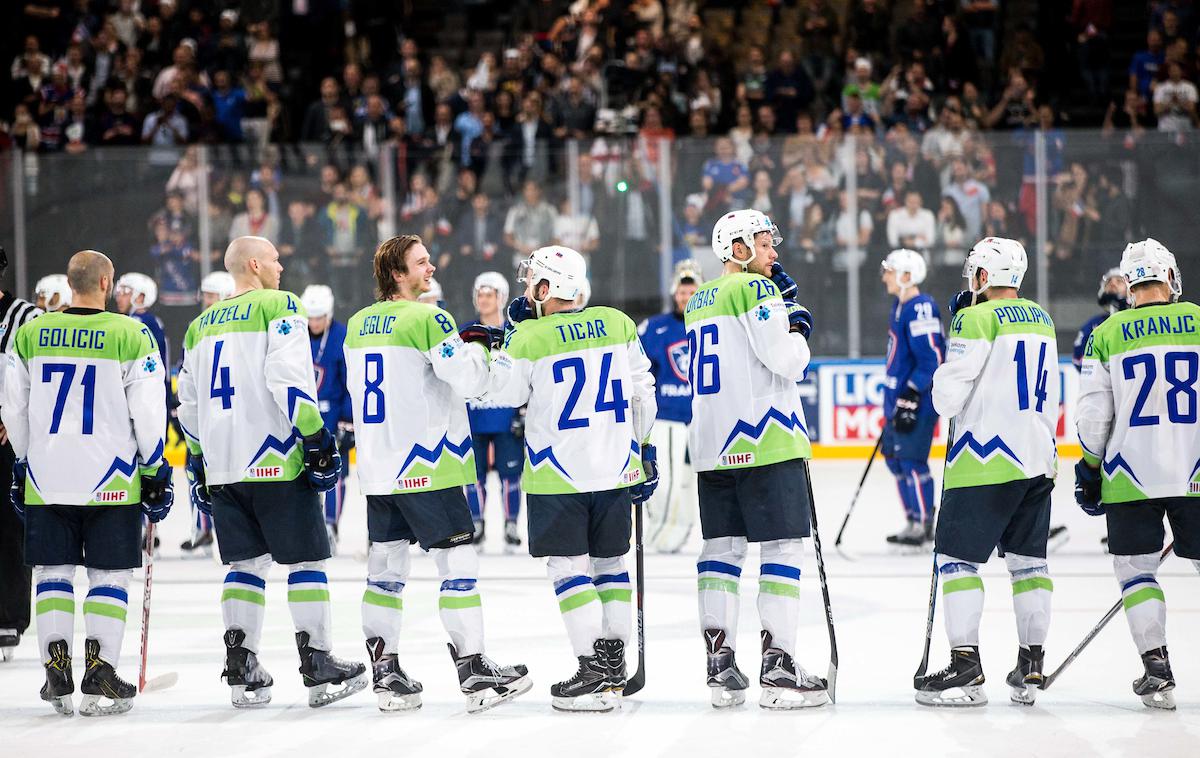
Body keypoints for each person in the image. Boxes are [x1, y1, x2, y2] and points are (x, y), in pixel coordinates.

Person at [342, 235, 530, 713]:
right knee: (458, 566)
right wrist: (483, 348)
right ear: (398, 274)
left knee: (384, 572)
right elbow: (469, 379)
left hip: (379, 467)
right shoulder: (430, 317)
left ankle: (385, 675)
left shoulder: (358, 324)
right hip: (429, 462)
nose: (431, 268)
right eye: (421, 263)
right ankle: (474, 673)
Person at [177, 237, 366, 709]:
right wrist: (317, 438)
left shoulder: (199, 325)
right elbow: (289, 377)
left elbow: (190, 405)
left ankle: (242, 666)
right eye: (277, 259)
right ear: (255, 264)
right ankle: (317, 660)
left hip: (223, 467)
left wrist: (200, 462)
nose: (283, 266)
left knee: (245, 567)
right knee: (305, 562)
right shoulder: (279, 304)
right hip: (276, 458)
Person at [480, 244, 657, 712]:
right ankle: (613, 664)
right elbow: (644, 393)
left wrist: (511, 336)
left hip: (557, 473)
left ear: (546, 288)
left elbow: (505, 393)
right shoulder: (618, 323)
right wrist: (642, 448)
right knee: (611, 566)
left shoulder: (530, 336)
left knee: (568, 569)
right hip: (616, 469)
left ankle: (591, 668)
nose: (525, 290)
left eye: (532, 282)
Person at [4, 250, 172, 715]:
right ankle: (99, 674)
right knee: (109, 576)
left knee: (52, 573)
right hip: (111, 478)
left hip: (47, 476)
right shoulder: (131, 333)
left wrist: (23, 461)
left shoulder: (31, 332)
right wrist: (155, 465)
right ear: (105, 282)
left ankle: (56, 669)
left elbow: (12, 406)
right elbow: (149, 409)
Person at [685, 209, 827, 710]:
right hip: (765, 439)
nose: (774, 254)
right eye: (765, 245)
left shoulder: (700, 297)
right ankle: (780, 665)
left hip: (712, 446)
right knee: (784, 548)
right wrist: (798, 324)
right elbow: (786, 361)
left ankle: (719, 662)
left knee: (721, 551)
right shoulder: (756, 290)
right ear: (738, 248)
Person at [921, 237, 1060, 707]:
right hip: (1038, 458)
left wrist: (955, 336)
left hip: (984, 458)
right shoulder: (1043, 319)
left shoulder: (975, 317)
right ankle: (1032, 662)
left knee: (957, 562)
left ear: (983, 276)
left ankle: (965, 666)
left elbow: (946, 399)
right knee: (1029, 565)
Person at [1075, 239, 1200, 711]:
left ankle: (1157, 669)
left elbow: (1093, 418)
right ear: (1169, 276)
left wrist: (1089, 469)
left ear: (1129, 284)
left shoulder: (1107, 333)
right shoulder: (1199, 321)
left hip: (1129, 475)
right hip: (1195, 470)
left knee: (1136, 571)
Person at [879, 249, 944, 548]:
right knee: (894, 459)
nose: (885, 276)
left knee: (912, 460)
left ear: (907, 276)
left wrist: (913, 391)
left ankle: (924, 523)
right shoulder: (899, 305)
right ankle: (912, 520)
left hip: (916, 400)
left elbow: (933, 359)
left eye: (890, 271)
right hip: (897, 397)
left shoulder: (921, 307)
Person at [637, 260, 703, 553]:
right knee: (664, 479)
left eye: (691, 291)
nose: (685, 297)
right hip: (666, 417)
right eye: (681, 291)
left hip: (701, 417)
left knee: (687, 481)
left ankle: (678, 528)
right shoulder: (655, 327)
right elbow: (639, 370)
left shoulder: (709, 323)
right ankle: (663, 531)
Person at [0, 246, 43, 662]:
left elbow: (34, 377)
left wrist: (14, 420)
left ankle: (10, 615)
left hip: (8, 440)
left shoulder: (27, 318)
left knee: (10, 529)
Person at [463, 272, 523, 549]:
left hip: (506, 414)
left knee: (511, 474)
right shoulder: (466, 333)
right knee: (473, 475)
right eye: (481, 294)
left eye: (490, 294)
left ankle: (511, 524)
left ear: (502, 297)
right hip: (474, 414)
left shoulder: (515, 332)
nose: (484, 299)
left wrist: (523, 409)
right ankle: (477, 524)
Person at [114, 272, 172, 556]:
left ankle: (143, 527)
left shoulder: (139, 323)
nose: (118, 295)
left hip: (140, 404)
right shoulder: (149, 323)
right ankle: (150, 527)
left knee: (140, 464)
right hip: (150, 403)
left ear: (141, 296)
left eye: (126, 291)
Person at [179, 271, 236, 558]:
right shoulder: (198, 327)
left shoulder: (225, 327)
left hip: (227, 413)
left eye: (212, 295)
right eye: (206, 295)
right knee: (199, 471)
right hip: (207, 412)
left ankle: (225, 530)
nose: (207, 300)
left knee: (225, 476)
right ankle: (204, 529)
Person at [300, 285, 353, 553]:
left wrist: (348, 418)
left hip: (332, 416)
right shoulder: (295, 335)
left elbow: (350, 383)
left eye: (319, 316)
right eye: (310, 317)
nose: (314, 322)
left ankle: (330, 524)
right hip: (303, 417)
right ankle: (306, 525)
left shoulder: (341, 336)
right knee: (300, 474)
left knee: (337, 472)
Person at [1073, 268, 1128, 370]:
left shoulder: (1137, 320)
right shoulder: (1093, 325)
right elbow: (1078, 359)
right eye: (1109, 282)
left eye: (1119, 281)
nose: (1113, 284)